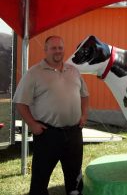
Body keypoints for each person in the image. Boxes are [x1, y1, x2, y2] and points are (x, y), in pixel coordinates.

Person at [13, 36, 89, 195]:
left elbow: (84, 95)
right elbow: (20, 102)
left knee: (74, 175)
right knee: (40, 177)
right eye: (53, 48)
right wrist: (32, 125)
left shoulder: (73, 70)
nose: (57, 51)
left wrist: (84, 115)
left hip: (74, 132)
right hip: (48, 134)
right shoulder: (34, 73)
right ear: (45, 50)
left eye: (60, 48)